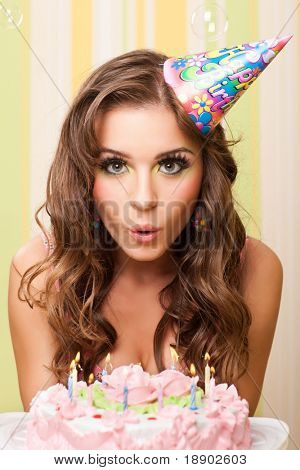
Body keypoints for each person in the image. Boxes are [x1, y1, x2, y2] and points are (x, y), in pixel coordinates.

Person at [8, 48, 283, 416]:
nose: (142, 199)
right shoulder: (40, 274)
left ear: (207, 171)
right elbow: (49, 445)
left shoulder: (253, 270)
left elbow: (231, 438)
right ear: (84, 173)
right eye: (115, 165)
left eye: (171, 165)